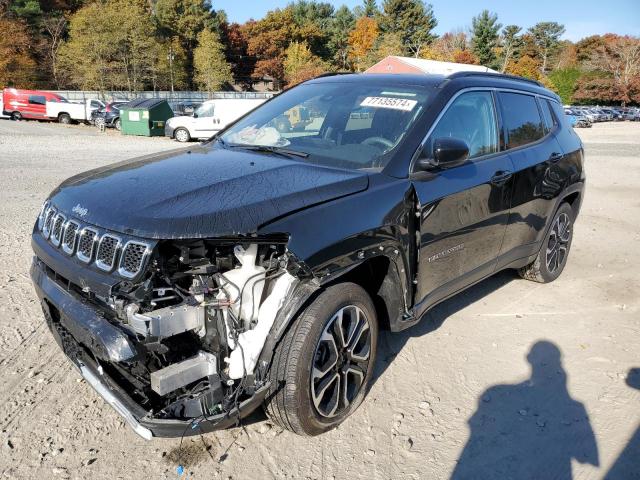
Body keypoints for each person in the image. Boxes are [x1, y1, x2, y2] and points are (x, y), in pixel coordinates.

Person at [451, 341, 599, 479]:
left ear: (529, 358)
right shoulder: (576, 407)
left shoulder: (495, 392)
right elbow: (586, 457)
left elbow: (473, 423)